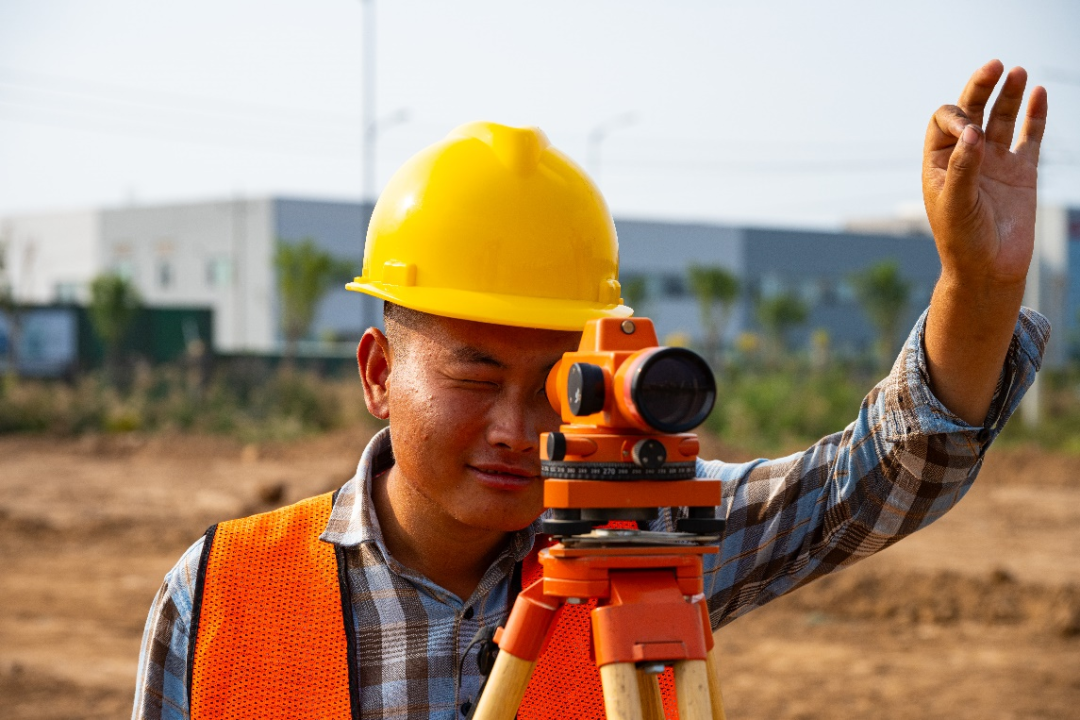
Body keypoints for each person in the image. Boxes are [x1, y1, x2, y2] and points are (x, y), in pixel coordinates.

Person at [133, 60, 1049, 720]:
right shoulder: (220, 596)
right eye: (475, 372)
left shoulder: (645, 543)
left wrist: (980, 288)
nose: (518, 426)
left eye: (560, 384)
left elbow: (886, 471)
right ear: (378, 372)